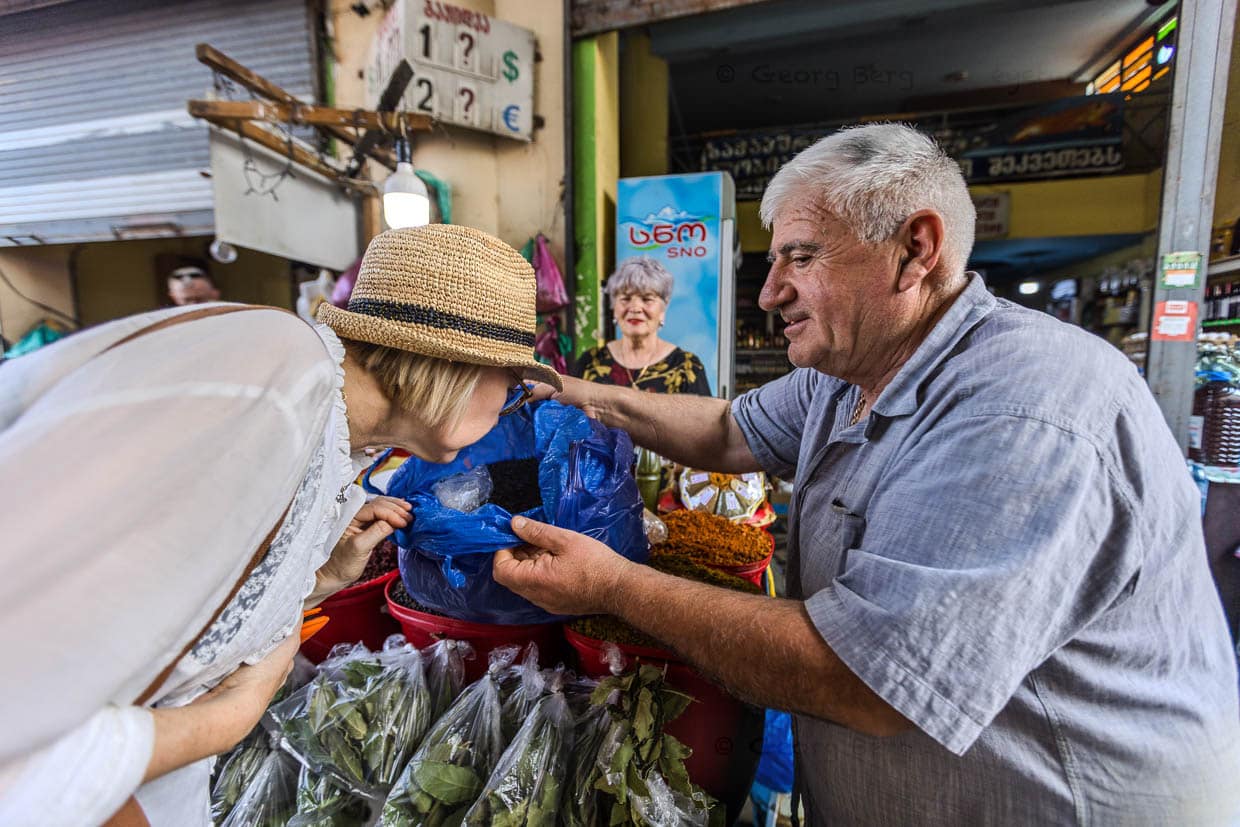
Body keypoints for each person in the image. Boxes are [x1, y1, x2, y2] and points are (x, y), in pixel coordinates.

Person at [494, 123, 1240, 824]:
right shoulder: (850, 372)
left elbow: (864, 677)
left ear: (916, 249)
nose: (769, 291)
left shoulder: (1025, 409)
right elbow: (728, 430)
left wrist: (614, 585)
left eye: (802, 256)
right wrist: (576, 390)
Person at [0, 224, 559, 825]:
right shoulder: (274, 387)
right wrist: (223, 722)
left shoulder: (329, 425)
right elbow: (23, 722)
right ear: (456, 367)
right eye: (511, 386)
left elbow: (189, 606)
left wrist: (315, 579)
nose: (509, 405)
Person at [573, 256, 711, 395]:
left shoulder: (687, 367)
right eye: (625, 298)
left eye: (647, 299)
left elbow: (703, 416)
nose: (635, 308)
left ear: (663, 308)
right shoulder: (589, 363)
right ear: (614, 306)